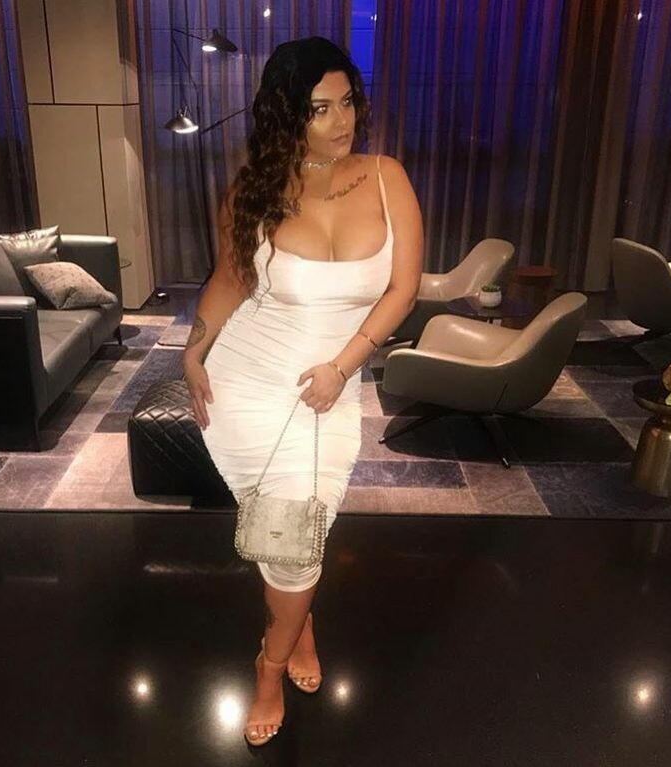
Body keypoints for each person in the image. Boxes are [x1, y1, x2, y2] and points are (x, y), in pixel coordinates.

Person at [182, 36, 423, 747]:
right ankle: (284, 647)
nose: (340, 121)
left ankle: (273, 650)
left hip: (328, 388)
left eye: (347, 102)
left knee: (294, 538)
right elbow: (230, 280)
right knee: (287, 540)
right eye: (320, 109)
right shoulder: (256, 186)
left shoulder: (385, 176)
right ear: (288, 114)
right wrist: (193, 349)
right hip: (248, 380)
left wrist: (343, 365)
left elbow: (403, 288)